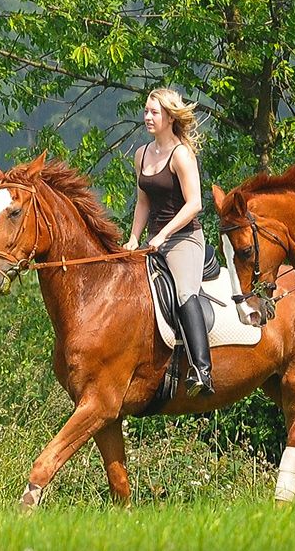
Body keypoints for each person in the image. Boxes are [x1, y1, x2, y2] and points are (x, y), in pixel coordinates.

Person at [124, 88, 214, 395]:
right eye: (146, 112)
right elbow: (142, 203)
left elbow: (194, 204)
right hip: (153, 241)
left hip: (185, 239)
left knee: (185, 293)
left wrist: (164, 234)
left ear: (170, 117)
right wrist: (134, 238)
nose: (147, 117)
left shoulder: (181, 154)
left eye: (154, 113)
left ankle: (203, 371)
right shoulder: (141, 155)